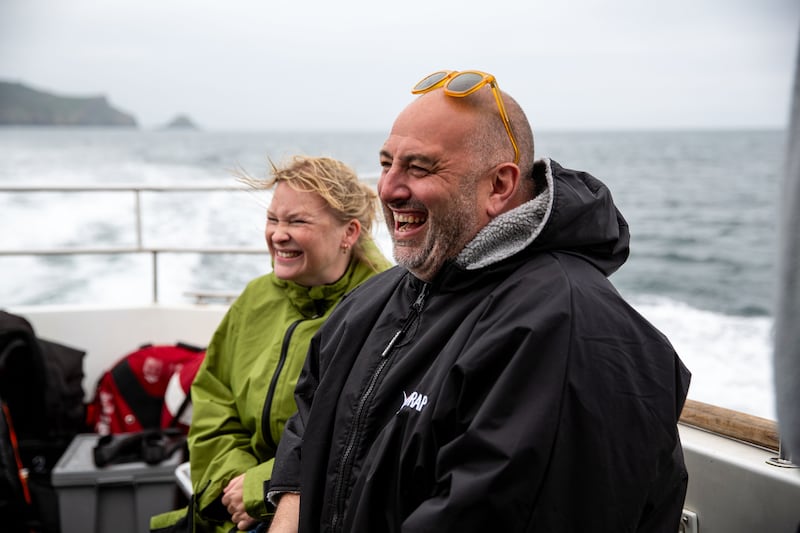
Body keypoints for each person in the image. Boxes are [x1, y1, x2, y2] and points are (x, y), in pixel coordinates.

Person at [267, 70, 692, 533]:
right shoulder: (373, 301)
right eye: (387, 163)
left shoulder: (564, 330)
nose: (388, 189)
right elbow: (311, 421)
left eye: (419, 167)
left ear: (499, 186)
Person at [150, 155, 391, 533]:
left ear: (349, 233)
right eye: (273, 219)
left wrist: (264, 488)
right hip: (227, 507)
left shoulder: (384, 310)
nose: (278, 234)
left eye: (297, 221)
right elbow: (214, 402)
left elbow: (368, 438)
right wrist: (233, 483)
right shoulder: (256, 298)